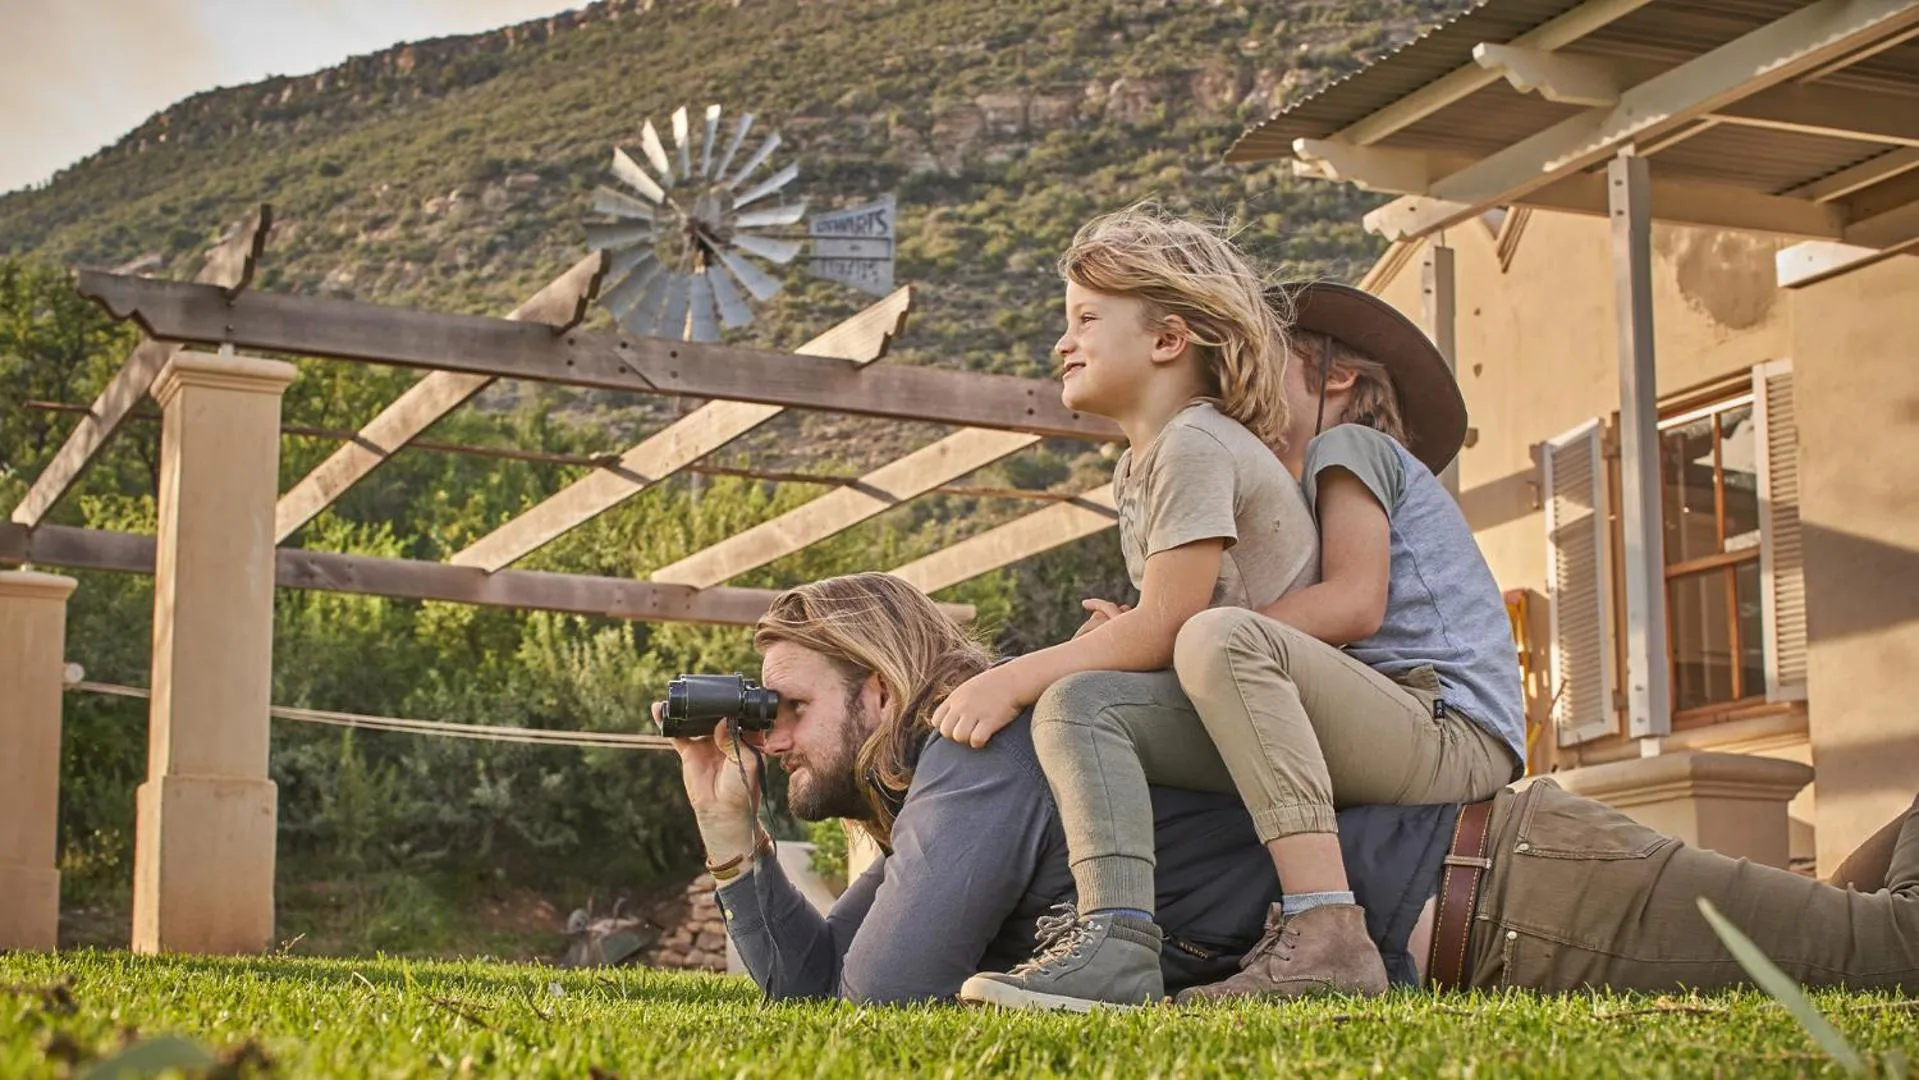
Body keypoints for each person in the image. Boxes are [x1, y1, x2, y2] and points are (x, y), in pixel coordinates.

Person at [669, 572, 1919, 1003]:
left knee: (1893, 957)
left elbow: (871, 1006)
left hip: (1517, 892)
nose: (769, 738)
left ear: (877, 693)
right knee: (1863, 926)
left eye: (782, 708)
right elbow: (822, 990)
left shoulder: (978, 757)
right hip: (1504, 897)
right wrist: (733, 839)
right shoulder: (959, 794)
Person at [923, 208, 1323, 1010]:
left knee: (1077, 706)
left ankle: (1115, 941)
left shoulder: (1193, 446)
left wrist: (1010, 679)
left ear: (1167, 341)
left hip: (1286, 719)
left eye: (1085, 319)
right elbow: (1170, 617)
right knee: (1086, 691)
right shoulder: (1141, 463)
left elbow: (1170, 625)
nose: (1061, 344)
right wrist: (1127, 631)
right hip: (1238, 705)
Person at [1164, 281, 1527, 1004]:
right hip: (1408, 723)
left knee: (1215, 645)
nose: (1238, 384)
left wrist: (1169, 635)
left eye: (1260, 362)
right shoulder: (1295, 502)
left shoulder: (1349, 446)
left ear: (1335, 376)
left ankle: (1321, 932)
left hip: (1452, 724)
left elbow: (1353, 605)